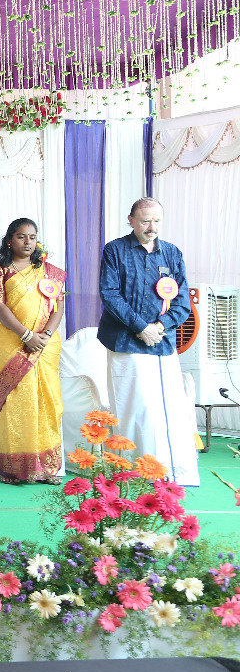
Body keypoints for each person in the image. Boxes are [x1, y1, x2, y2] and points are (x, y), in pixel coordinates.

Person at [98, 197, 199, 486]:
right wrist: (141, 327)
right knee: (135, 409)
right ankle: (132, 472)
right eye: (145, 221)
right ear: (131, 221)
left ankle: (171, 470)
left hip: (163, 343)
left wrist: (160, 326)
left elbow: (182, 301)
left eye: (156, 221)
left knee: (169, 408)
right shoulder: (115, 250)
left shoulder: (172, 253)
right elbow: (110, 294)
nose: (151, 227)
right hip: (126, 343)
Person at [0, 218, 66, 484]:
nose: (28, 242)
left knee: (47, 401)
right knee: (16, 402)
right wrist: (27, 335)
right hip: (10, 343)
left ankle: (46, 468)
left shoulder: (50, 271)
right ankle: (15, 468)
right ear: (9, 241)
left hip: (45, 345)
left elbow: (58, 307)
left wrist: (45, 336)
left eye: (32, 237)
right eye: (21, 237)